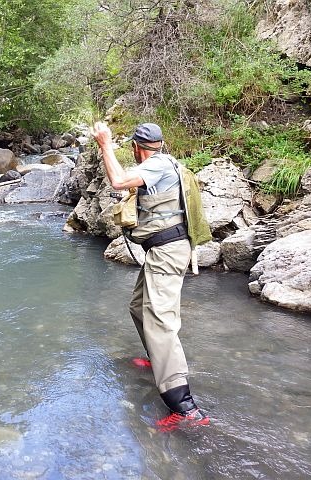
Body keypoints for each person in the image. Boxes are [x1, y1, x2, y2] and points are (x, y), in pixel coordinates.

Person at [91, 121, 209, 431]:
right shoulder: (162, 162)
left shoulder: (156, 166)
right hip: (161, 250)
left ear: (136, 147)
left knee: (160, 320)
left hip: (168, 251)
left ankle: (185, 407)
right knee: (138, 306)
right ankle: (158, 361)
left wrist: (105, 144)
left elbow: (117, 180)